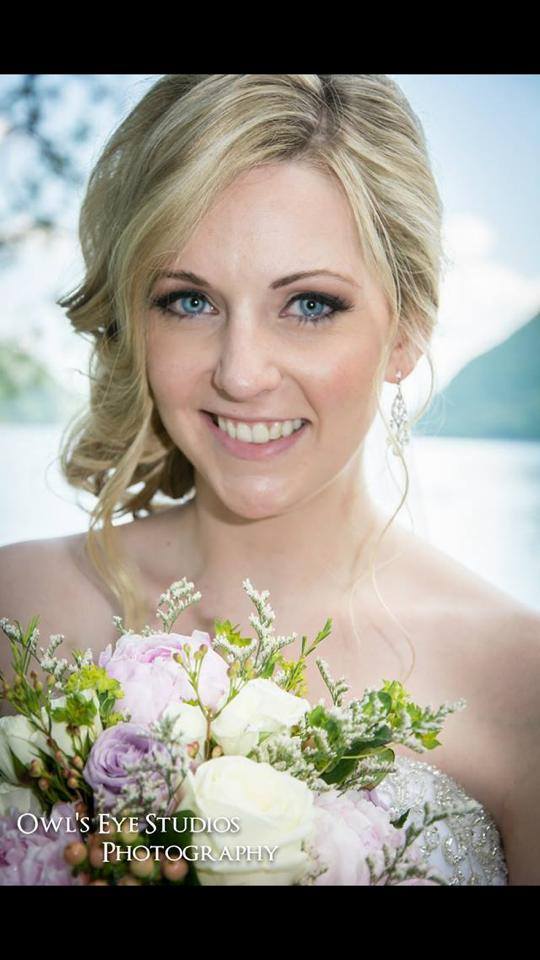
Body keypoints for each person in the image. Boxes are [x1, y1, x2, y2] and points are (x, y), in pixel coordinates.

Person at [0, 74, 538, 884]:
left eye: (310, 305)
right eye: (189, 301)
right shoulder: (16, 608)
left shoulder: (519, 683)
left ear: (407, 331)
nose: (242, 373)